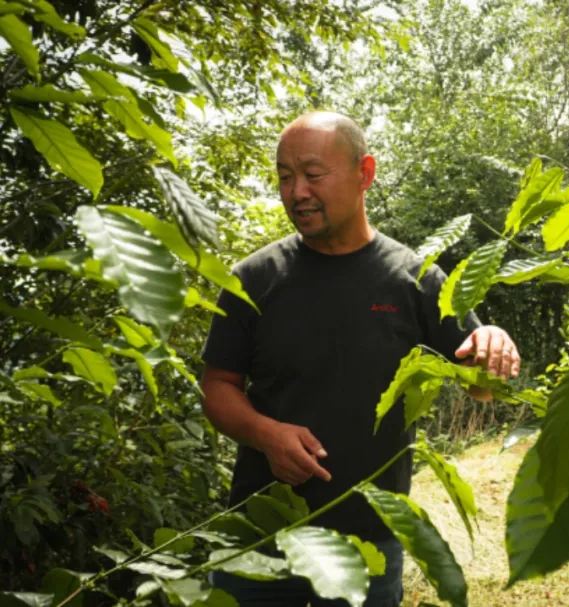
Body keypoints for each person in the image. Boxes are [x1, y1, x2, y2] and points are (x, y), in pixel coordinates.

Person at [199, 110, 520, 606]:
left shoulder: (415, 280)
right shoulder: (253, 278)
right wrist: (266, 434)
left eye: (312, 174)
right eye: (285, 177)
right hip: (258, 537)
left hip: (367, 538)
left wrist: (491, 340)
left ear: (364, 173)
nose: (296, 191)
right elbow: (217, 384)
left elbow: (480, 384)